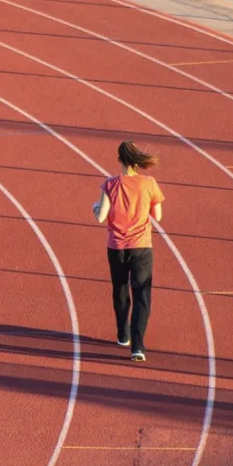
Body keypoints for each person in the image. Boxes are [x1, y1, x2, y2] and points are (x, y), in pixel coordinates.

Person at [93, 141, 165, 362]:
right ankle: (138, 346)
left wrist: (95, 206)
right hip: (142, 246)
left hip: (116, 247)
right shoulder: (149, 183)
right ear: (137, 160)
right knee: (142, 294)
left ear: (119, 160)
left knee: (120, 289)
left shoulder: (110, 184)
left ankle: (122, 333)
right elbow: (158, 216)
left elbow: (100, 216)